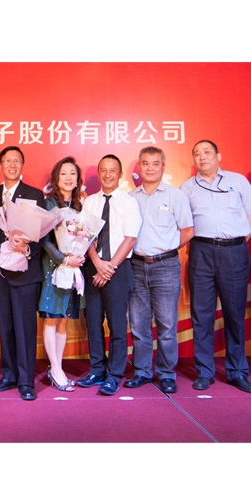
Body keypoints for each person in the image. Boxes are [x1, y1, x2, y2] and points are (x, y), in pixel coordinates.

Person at [180, 140, 251, 392]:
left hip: (234, 252)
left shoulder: (238, 181)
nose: (202, 157)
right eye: (197, 154)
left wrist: (234, 241)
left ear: (218, 156)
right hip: (201, 251)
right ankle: (204, 371)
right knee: (202, 314)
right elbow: (184, 224)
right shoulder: (187, 188)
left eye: (207, 152)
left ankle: (237, 371)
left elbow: (249, 215)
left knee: (234, 314)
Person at [125, 146, 193, 394]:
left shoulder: (176, 196)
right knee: (139, 324)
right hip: (136, 265)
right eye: (145, 163)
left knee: (166, 325)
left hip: (166, 266)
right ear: (139, 168)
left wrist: (165, 249)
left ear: (163, 167)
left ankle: (166, 373)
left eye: (155, 163)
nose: (150, 168)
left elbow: (188, 230)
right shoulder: (130, 198)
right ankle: (142, 371)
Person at [76, 154, 141, 396]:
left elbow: (130, 238)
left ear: (120, 174)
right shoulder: (90, 203)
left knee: (116, 324)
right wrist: (97, 262)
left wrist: (110, 267)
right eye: (103, 170)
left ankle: (114, 374)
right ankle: (97, 369)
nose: (107, 174)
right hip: (93, 267)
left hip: (119, 268)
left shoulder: (128, 202)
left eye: (113, 170)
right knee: (93, 322)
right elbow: (84, 236)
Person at [0, 146, 45, 401]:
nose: (12, 165)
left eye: (16, 161)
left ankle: (26, 381)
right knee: (6, 327)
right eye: (7, 161)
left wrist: (27, 249)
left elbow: (42, 234)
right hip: (0, 272)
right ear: (0, 164)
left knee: (25, 328)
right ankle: (8, 375)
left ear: (22, 165)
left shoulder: (34, 194)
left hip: (25, 273)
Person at [38, 156, 86, 392]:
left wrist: (80, 255)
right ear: (56, 179)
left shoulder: (81, 207)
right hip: (54, 268)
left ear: (78, 180)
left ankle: (57, 366)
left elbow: (85, 237)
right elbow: (44, 239)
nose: (68, 178)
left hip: (74, 267)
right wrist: (63, 259)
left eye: (72, 174)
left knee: (64, 318)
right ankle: (56, 369)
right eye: (63, 173)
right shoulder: (49, 204)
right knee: (51, 316)